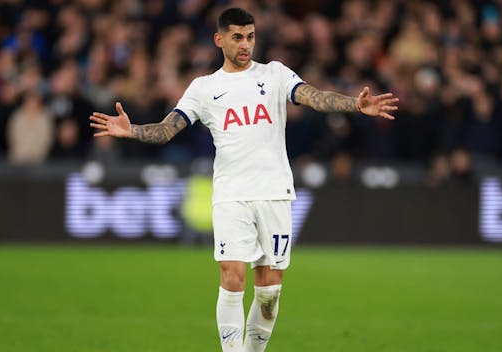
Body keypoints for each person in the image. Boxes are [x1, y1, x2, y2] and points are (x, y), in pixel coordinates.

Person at [89, 8, 398, 352]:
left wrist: (355, 105)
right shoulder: (204, 88)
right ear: (219, 40)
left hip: (275, 193)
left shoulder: (276, 74)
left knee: (269, 292)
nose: (245, 44)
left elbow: (314, 97)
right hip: (231, 194)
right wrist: (131, 130)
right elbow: (166, 130)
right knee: (231, 276)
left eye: (250, 36)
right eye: (237, 37)